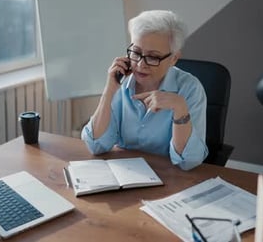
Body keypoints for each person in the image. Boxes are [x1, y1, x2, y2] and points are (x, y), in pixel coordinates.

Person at [81, 10, 208, 170]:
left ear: (174, 58)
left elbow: (187, 162)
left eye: (153, 57)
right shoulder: (121, 80)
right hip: (125, 175)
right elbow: (96, 145)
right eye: (136, 52)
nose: (140, 64)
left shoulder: (190, 88)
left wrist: (180, 109)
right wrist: (109, 91)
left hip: (170, 178)